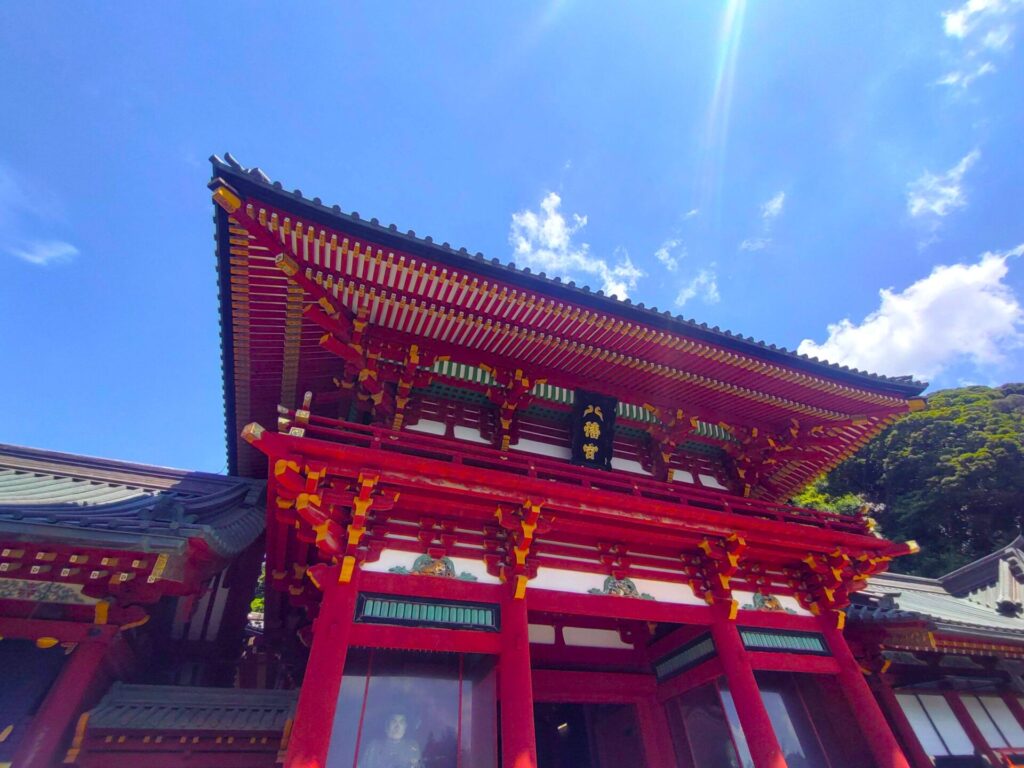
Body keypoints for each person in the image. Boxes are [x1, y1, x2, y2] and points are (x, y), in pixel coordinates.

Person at [358, 711, 422, 768]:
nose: (397, 727)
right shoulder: (374, 746)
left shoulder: (412, 746)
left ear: (406, 726)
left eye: (401, 722)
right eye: (394, 721)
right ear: (387, 724)